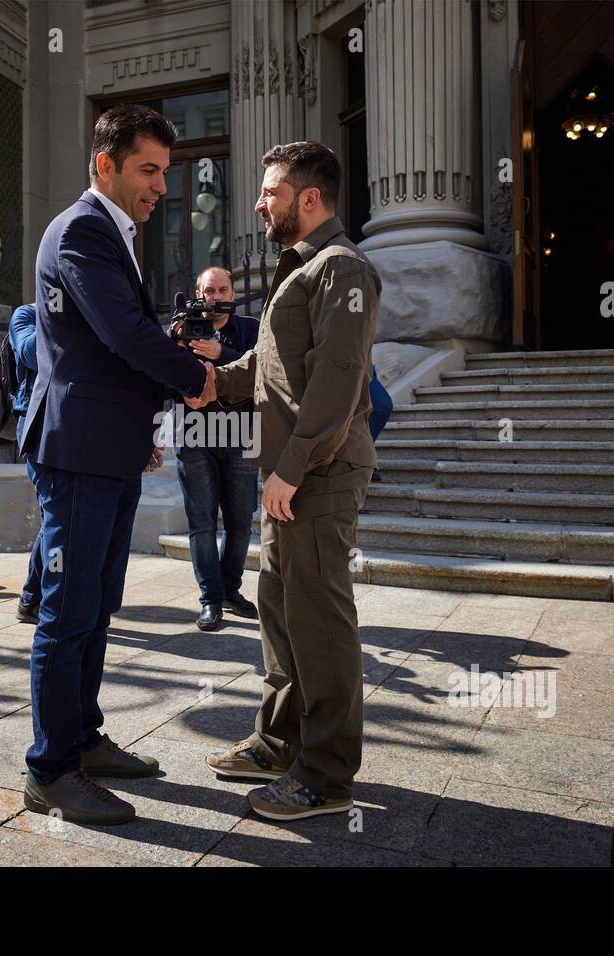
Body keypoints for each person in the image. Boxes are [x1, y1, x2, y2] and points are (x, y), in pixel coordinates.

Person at [17, 104, 212, 826]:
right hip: (76, 450)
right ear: (106, 165)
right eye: (148, 170)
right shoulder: (83, 230)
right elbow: (124, 335)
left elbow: (114, 344)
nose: (162, 185)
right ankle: (50, 770)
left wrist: (151, 403)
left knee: (96, 606)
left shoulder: (115, 232)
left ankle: (83, 739)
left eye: (165, 171)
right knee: (67, 613)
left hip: (109, 443)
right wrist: (196, 378)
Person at [190, 141, 381, 822]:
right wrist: (213, 381)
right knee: (279, 615)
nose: (260, 202)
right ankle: (279, 742)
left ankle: (326, 777)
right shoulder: (298, 268)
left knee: (321, 623)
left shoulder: (344, 269)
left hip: (317, 474)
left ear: (310, 197)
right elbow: (272, 368)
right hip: (289, 475)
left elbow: (336, 379)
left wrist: (293, 468)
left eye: (271, 190)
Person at [168, 266, 260, 632]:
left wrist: (220, 352)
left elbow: (259, 372)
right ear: (198, 293)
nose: (217, 297)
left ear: (233, 293)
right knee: (202, 522)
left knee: (240, 523)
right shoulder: (182, 327)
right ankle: (210, 599)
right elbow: (163, 376)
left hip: (241, 432)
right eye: (210, 290)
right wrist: (174, 345)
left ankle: (230, 591)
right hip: (193, 434)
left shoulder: (250, 329)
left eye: (223, 289)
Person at [8, 303, 45, 624]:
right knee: (56, 512)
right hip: (34, 420)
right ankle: (32, 598)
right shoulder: (26, 314)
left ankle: (38, 596)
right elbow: (30, 353)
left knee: (63, 513)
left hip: (73, 420)